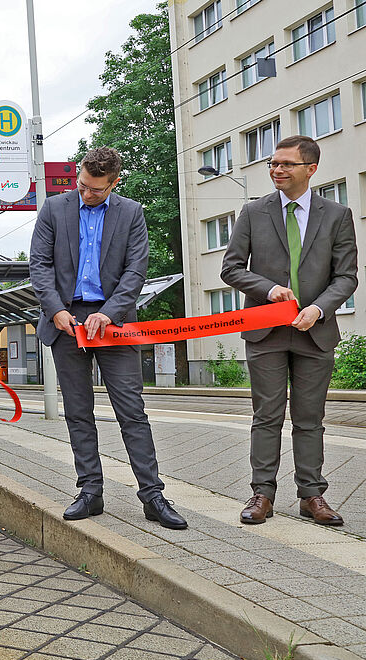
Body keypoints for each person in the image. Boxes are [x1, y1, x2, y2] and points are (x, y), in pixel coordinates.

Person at [29, 147, 187, 530]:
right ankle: (90, 492)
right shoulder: (53, 209)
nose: (86, 194)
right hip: (66, 320)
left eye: (96, 190)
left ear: (114, 183)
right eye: (82, 185)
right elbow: (40, 264)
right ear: (78, 174)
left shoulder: (131, 213)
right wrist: (56, 310)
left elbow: (136, 271)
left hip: (113, 321)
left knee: (131, 411)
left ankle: (152, 496)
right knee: (78, 411)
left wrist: (108, 313)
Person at [221, 136, 357, 526]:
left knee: (310, 418)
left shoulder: (337, 215)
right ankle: (261, 494)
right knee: (266, 416)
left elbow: (346, 277)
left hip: (315, 330)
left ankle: (311, 496)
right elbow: (231, 268)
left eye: (286, 164)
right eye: (272, 163)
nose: (276, 170)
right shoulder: (253, 212)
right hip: (266, 329)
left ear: (310, 169)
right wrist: (267, 289)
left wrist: (317, 308)